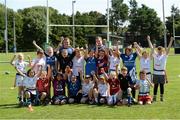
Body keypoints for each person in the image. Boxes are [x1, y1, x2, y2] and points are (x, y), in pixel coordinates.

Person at [147, 36, 174, 102]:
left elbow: (168, 49)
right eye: (158, 50)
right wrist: (148, 40)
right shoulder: (155, 55)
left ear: (162, 50)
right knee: (155, 86)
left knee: (162, 86)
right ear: (157, 50)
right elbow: (151, 47)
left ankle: (161, 98)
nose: (159, 51)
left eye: (160, 50)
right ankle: (154, 98)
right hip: (155, 72)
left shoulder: (165, 56)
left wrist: (171, 41)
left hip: (162, 73)